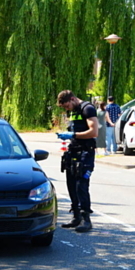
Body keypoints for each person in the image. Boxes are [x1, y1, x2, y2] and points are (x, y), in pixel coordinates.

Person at [56, 90, 100, 233]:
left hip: (85, 153)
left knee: (81, 185)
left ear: (73, 99)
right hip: (73, 152)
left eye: (66, 106)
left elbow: (94, 132)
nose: (66, 109)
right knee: (71, 184)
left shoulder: (87, 108)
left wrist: (74, 134)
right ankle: (76, 217)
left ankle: (86, 219)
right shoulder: (74, 110)